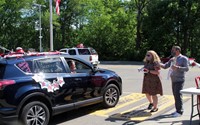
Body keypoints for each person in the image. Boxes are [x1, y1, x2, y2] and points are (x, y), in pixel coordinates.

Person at [159, 46, 189, 117]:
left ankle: (180, 111)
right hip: (173, 80)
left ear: (178, 50)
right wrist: (158, 64)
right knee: (175, 95)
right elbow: (165, 66)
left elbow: (187, 68)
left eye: (173, 50)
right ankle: (177, 110)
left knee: (178, 95)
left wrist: (178, 67)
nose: (172, 51)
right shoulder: (172, 59)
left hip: (180, 80)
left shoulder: (184, 58)